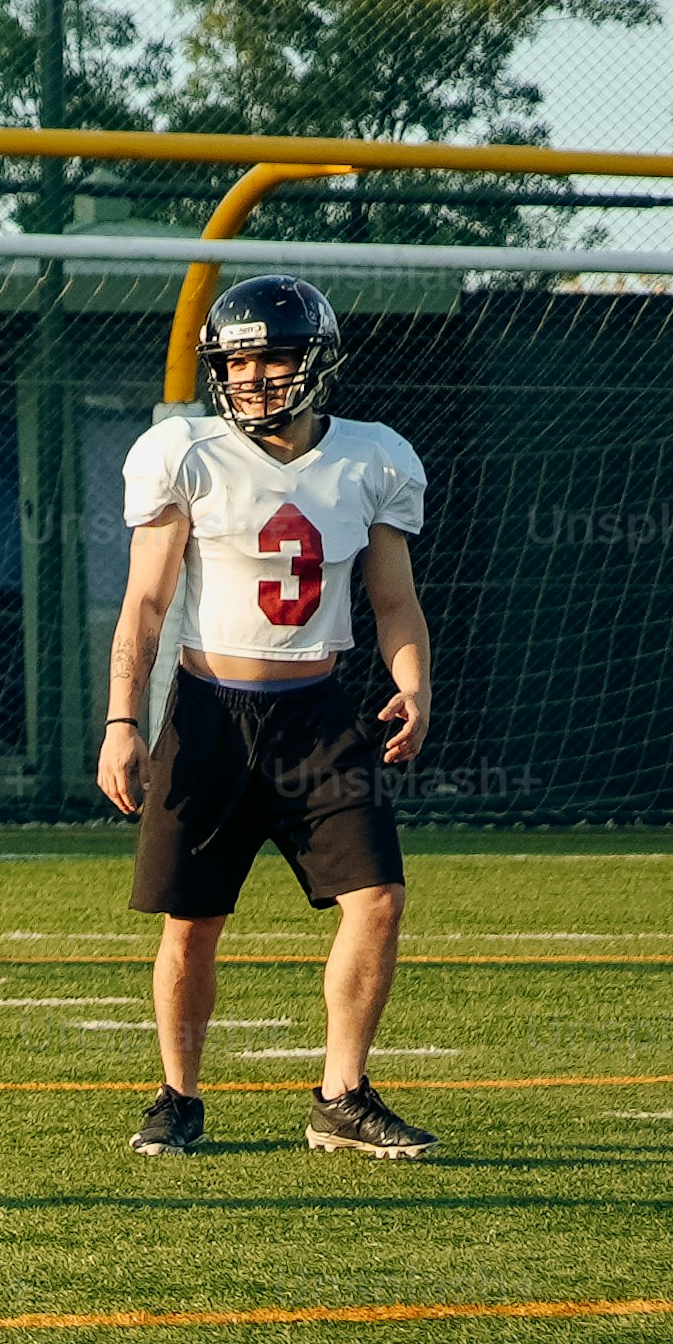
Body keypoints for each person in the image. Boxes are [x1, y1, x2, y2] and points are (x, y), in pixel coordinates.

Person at [98, 271, 439, 1162]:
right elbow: (143, 604)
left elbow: (394, 602)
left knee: (378, 899)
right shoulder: (186, 451)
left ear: (315, 364)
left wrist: (413, 681)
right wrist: (121, 723)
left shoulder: (370, 457)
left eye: (272, 358)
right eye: (238, 361)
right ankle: (177, 1096)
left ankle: (341, 1095)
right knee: (192, 919)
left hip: (318, 715)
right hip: (209, 711)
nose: (252, 378)